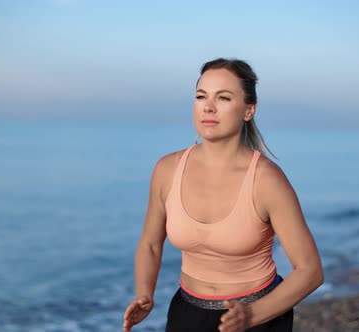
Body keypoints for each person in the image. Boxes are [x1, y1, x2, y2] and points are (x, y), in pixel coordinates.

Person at [123, 58, 323, 332]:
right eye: (200, 96)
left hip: (258, 316)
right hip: (187, 312)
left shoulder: (266, 180)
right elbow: (150, 243)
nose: (208, 106)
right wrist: (145, 294)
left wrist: (251, 316)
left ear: (248, 110)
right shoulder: (167, 169)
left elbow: (310, 271)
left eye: (224, 98)